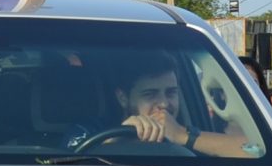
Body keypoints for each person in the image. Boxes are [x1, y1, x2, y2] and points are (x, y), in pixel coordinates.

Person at [111, 63, 263, 159]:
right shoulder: (94, 135)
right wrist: (115, 138)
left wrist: (181, 135)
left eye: (171, 93)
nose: (164, 103)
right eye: (150, 94)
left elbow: (258, 151)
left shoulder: (197, 134)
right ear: (123, 98)